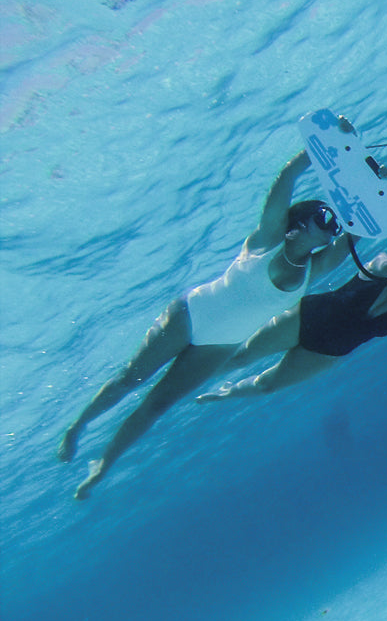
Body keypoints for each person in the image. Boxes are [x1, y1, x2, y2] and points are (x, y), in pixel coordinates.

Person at [59, 149, 354, 499]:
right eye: (326, 217)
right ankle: (79, 426)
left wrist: (374, 185)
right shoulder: (268, 238)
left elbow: (359, 232)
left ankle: (103, 465)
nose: (333, 228)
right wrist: (323, 151)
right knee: (130, 379)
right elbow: (288, 176)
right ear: (301, 221)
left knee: (156, 406)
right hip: (191, 314)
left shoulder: (314, 270)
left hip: (221, 345)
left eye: (335, 224)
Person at [196, 236, 387, 403]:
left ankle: (227, 392)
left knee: (267, 386)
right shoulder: (384, 263)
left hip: (328, 352)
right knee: (242, 356)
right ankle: (188, 378)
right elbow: (386, 265)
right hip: (307, 318)